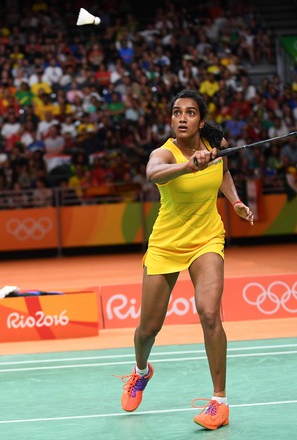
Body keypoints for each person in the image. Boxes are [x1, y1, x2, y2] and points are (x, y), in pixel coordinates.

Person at [118, 90, 254, 431]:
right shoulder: (163, 152)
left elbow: (221, 172)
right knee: (147, 329)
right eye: (176, 112)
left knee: (209, 312)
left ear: (200, 120)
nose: (182, 118)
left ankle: (219, 402)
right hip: (166, 242)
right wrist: (186, 166)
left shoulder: (214, 146)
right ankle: (141, 371)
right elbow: (154, 173)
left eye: (190, 113)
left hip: (207, 237)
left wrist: (234, 201)